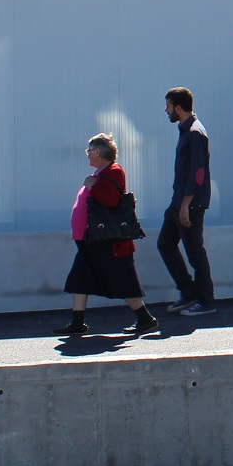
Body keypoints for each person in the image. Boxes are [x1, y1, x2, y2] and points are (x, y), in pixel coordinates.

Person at [57, 133, 154, 336]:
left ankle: (145, 319)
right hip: (90, 239)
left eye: (90, 150)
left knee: (122, 280)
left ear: (99, 152)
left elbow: (111, 200)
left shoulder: (114, 171)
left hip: (107, 241)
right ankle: (77, 323)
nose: (87, 154)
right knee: (79, 278)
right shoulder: (101, 173)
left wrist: (91, 185)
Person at [158, 87, 215, 315]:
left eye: (168, 106)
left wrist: (185, 205)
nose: (166, 110)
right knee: (165, 243)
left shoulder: (194, 132)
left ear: (178, 108)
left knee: (195, 252)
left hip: (190, 204)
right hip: (178, 201)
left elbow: (198, 173)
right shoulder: (186, 130)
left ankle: (206, 301)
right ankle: (188, 292)